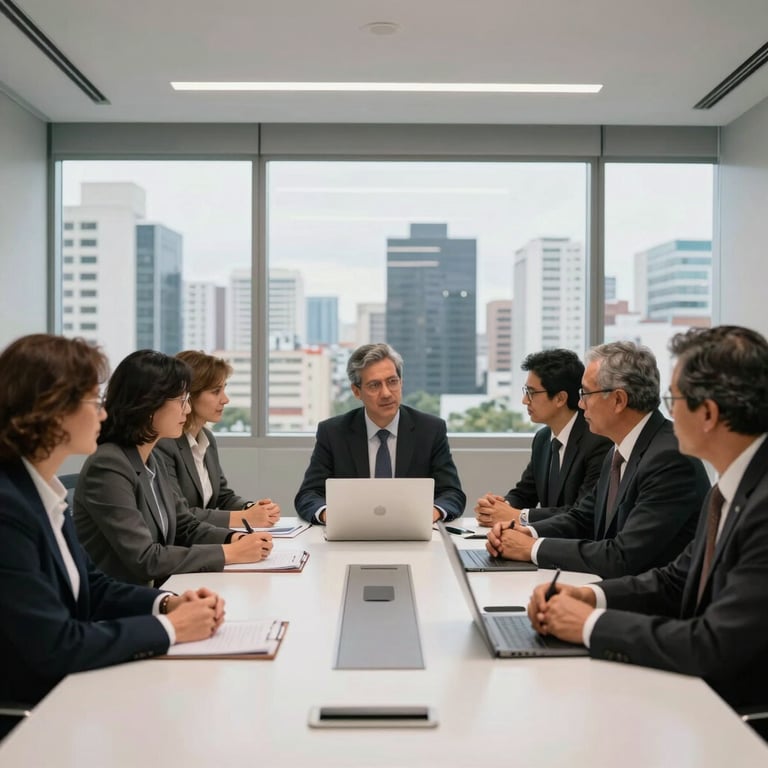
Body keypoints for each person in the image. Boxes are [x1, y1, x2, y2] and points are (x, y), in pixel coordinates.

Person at [528, 326, 768, 710]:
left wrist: (588, 624)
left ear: (707, 413)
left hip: (737, 718)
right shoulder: (729, 489)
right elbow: (677, 579)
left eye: (673, 400)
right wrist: (589, 595)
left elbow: (714, 644)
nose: (667, 412)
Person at [0, 335, 226, 738]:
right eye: (92, 400)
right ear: (52, 410)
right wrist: (173, 629)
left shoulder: (39, 492)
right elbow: (56, 645)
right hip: (36, 719)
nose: (103, 413)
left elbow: (95, 586)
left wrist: (167, 603)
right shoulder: (8, 508)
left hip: (69, 693)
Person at [486, 341, 710, 578]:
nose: (581, 405)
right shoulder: (619, 450)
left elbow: (622, 556)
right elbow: (583, 518)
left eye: (585, 394)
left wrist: (532, 548)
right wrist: (523, 533)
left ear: (618, 400)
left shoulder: (669, 459)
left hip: (651, 602)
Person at [74, 350, 273, 586]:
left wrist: (234, 538)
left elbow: (184, 525)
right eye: (182, 401)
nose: (187, 410)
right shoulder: (109, 465)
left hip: (159, 590)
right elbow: (145, 558)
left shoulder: (150, 459)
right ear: (149, 404)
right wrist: (230, 553)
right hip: (120, 605)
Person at [295, 343, 466, 524]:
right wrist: (329, 515)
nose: (386, 393)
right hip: (352, 534)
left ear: (401, 383)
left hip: (412, 534)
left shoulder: (430, 430)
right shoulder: (333, 433)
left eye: (392, 382)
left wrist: (431, 513)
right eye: (374, 385)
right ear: (356, 391)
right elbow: (308, 494)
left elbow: (452, 493)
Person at [474, 349, 611, 527]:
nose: (525, 400)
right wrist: (499, 507)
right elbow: (524, 493)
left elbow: (582, 512)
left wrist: (519, 516)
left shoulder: (597, 440)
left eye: (531, 392)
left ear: (560, 398)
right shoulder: (543, 438)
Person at [155, 350, 280, 528]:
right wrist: (246, 518)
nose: (225, 400)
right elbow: (179, 513)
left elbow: (223, 496)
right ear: (189, 395)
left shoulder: (207, 439)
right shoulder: (165, 443)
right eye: (215, 391)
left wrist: (252, 508)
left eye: (224, 389)